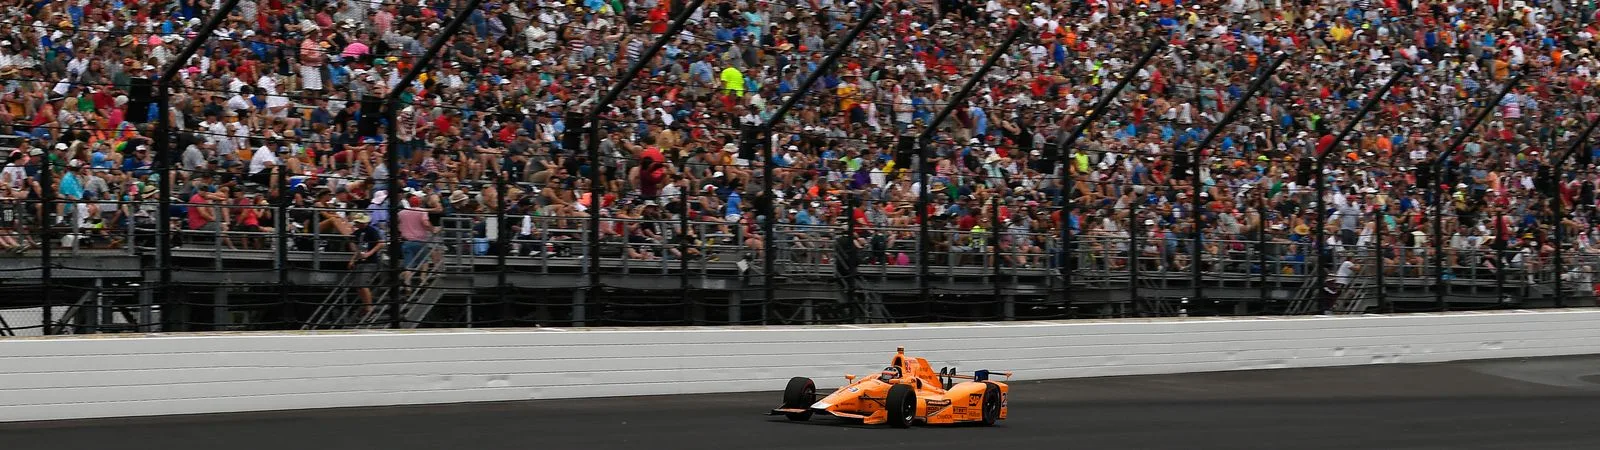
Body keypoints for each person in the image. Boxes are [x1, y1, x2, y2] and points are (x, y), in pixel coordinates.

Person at [347, 213, 384, 316]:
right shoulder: (357, 233)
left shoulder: (371, 231)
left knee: (363, 284)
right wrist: (353, 260)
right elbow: (357, 248)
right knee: (358, 286)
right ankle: (366, 305)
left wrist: (369, 254)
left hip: (370, 261)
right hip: (360, 261)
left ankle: (369, 307)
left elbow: (381, 243)